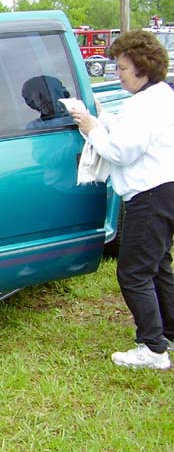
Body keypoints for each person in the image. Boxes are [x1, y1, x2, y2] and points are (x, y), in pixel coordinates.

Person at [70, 29, 174, 370]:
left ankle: (153, 349)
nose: (118, 75)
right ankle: (168, 331)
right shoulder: (159, 96)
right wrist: (102, 117)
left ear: (143, 69)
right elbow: (130, 131)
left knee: (133, 273)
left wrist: (91, 127)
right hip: (166, 191)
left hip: (150, 196)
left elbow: (121, 151)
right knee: (158, 266)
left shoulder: (145, 105)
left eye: (123, 69)